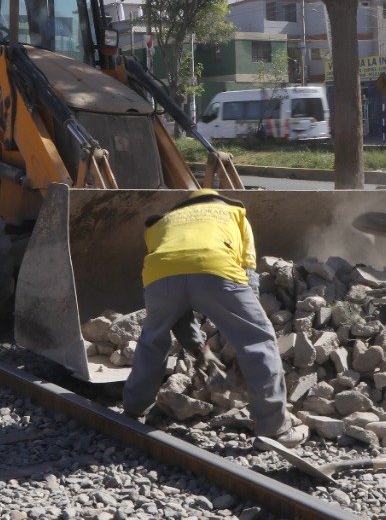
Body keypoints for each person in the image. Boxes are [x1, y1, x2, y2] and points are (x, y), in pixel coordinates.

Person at [121, 189, 308, 448]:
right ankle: (273, 428)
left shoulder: (163, 222)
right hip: (216, 267)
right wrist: (244, 345)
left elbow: (180, 305)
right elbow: (248, 275)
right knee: (258, 340)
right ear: (218, 201)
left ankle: (132, 412)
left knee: (153, 341)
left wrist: (200, 349)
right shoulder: (235, 213)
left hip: (159, 275)